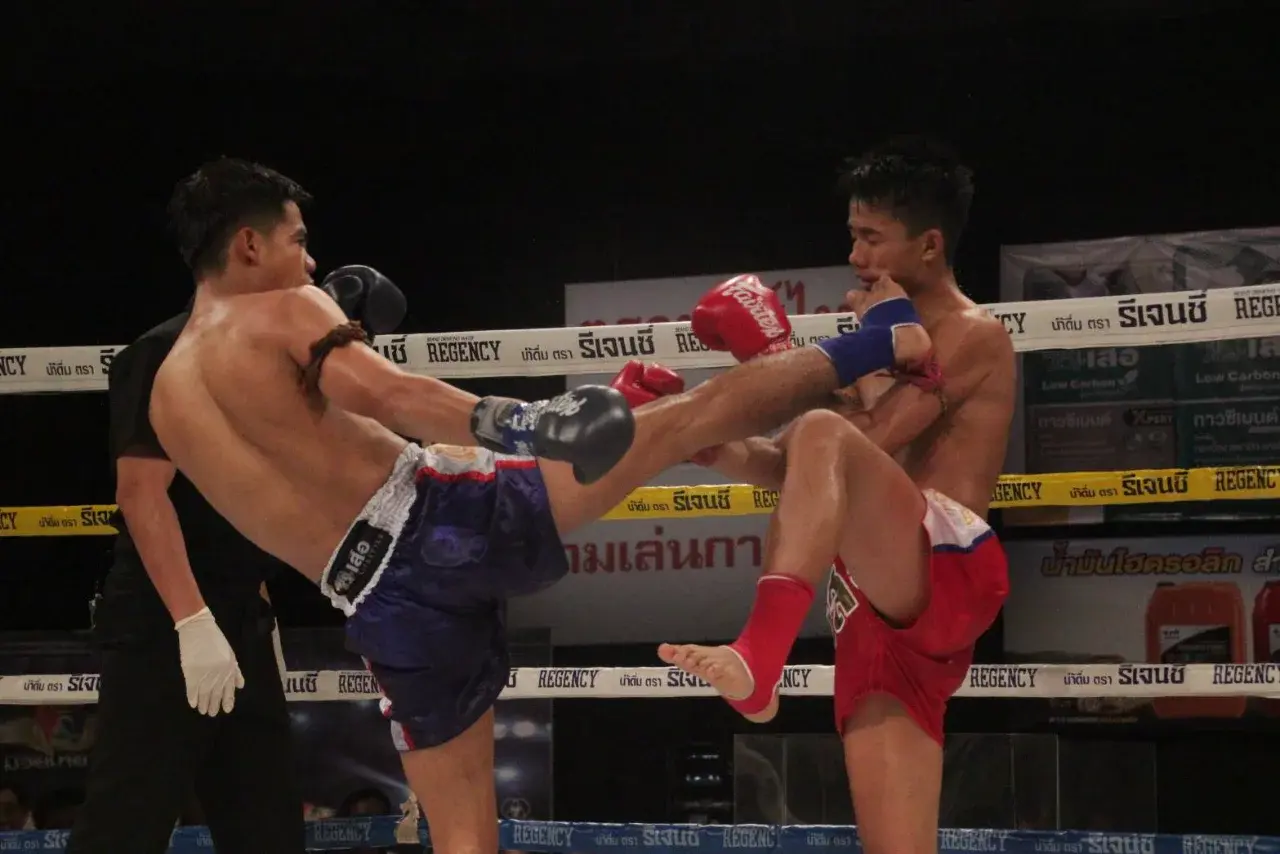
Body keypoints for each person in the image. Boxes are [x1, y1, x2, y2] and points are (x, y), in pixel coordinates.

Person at [149, 156, 933, 854]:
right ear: (247, 245)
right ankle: (884, 341)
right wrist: (525, 422)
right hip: (445, 521)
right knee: (685, 420)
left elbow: (290, 475)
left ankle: (615, 410)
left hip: (374, 597)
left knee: (463, 837)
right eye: (296, 240)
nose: (311, 260)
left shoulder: (167, 402)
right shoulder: (285, 308)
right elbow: (387, 395)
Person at [659, 137, 1016, 854]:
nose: (855, 256)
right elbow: (806, 472)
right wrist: (705, 443)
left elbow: (861, 439)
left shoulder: (973, 334)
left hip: (948, 564)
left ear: (929, 245)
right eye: (852, 235)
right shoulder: (885, 339)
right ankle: (761, 663)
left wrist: (789, 357)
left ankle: (762, 655)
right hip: (873, 597)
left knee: (823, 427)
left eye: (871, 237)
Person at [67, 311, 308, 852]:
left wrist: (261, 614)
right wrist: (192, 623)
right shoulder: (165, 351)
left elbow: (243, 512)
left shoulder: (268, 358)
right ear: (246, 259)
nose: (310, 269)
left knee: (268, 828)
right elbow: (139, 492)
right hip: (164, 619)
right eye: (298, 256)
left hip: (244, 614)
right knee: (124, 827)